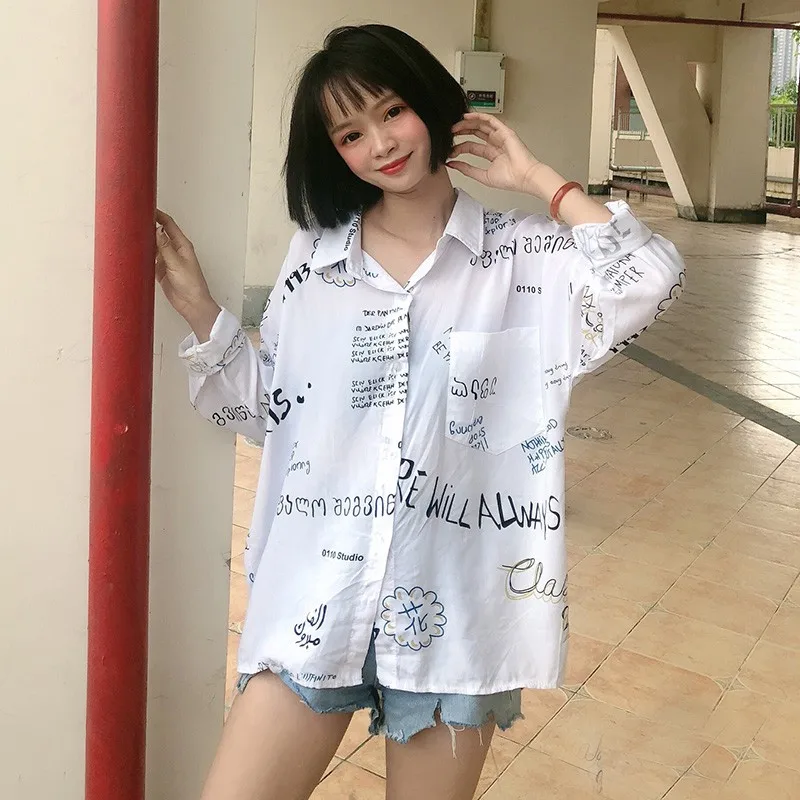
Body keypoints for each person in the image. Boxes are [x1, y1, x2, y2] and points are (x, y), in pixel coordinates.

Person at [155, 23, 685, 800]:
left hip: (456, 613)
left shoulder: (524, 259)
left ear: (430, 105)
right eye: (350, 134)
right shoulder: (316, 261)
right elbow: (273, 412)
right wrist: (201, 311)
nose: (380, 144)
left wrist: (540, 178)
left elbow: (650, 278)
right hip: (316, 595)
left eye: (392, 111)